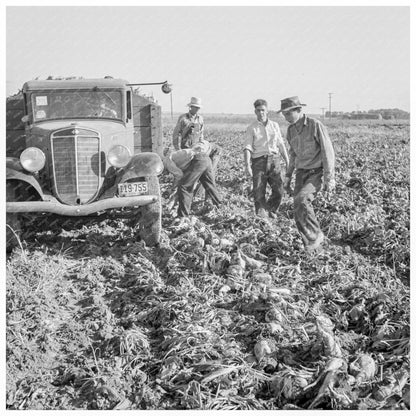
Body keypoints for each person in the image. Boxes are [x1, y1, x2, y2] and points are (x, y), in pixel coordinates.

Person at [279, 96, 335, 252]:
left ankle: (316, 236)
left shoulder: (315, 125)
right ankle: (310, 247)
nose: (286, 117)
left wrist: (329, 178)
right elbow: (293, 155)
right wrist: (288, 177)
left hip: (316, 173)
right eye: (284, 114)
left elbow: (327, 151)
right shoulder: (290, 131)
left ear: (299, 110)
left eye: (288, 113)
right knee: (297, 209)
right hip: (300, 173)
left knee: (302, 199)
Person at [244, 99, 289, 218]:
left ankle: (270, 210)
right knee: (259, 192)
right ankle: (262, 217)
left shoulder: (274, 125)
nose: (261, 113)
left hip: (275, 160)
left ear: (267, 110)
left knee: (279, 190)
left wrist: (288, 161)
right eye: (258, 110)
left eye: (263, 110)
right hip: (259, 161)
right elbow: (248, 147)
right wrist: (247, 165)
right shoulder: (251, 128)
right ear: (255, 112)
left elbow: (280, 144)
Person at [172, 96, 222, 204]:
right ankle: (180, 198)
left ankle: (197, 196)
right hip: (187, 149)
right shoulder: (183, 118)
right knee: (186, 176)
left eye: (198, 108)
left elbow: (201, 135)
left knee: (201, 173)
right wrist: (178, 149)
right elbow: (176, 134)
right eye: (195, 107)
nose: (197, 109)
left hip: (198, 149)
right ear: (190, 107)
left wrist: (202, 145)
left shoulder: (200, 119)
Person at [176, 139, 222, 217]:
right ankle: (220, 206)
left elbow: (179, 176)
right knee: (209, 184)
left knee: (185, 187)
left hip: (202, 157)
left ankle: (182, 216)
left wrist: (175, 188)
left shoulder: (171, 160)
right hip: (205, 158)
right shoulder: (188, 151)